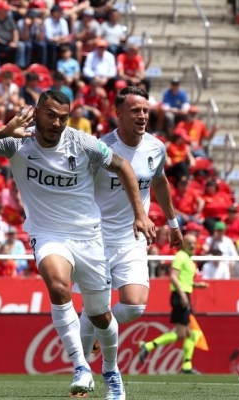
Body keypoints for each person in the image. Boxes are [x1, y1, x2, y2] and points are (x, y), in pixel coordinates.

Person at [0, 90, 154, 400]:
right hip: (47, 233)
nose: (57, 122)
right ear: (36, 113)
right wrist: (4, 130)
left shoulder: (82, 142)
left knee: (100, 315)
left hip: (89, 236)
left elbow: (123, 167)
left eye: (63, 116)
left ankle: (111, 369)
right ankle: (80, 366)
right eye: (51, 115)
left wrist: (140, 214)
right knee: (58, 285)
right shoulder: (18, 141)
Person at [78, 86, 183, 359]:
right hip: (96, 238)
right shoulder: (101, 148)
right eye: (135, 110)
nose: (142, 116)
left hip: (132, 237)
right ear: (119, 114)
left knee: (135, 306)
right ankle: (82, 370)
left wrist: (172, 222)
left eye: (146, 111)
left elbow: (159, 181)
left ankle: (96, 323)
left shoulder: (156, 147)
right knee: (96, 305)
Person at [139, 234, 209, 374]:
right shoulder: (181, 256)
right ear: (183, 244)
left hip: (184, 294)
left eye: (195, 243)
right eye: (190, 243)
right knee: (183, 333)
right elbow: (173, 277)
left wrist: (195, 285)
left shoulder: (189, 258)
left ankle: (186, 365)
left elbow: (183, 279)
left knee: (190, 333)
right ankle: (148, 346)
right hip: (180, 296)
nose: (193, 246)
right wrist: (183, 294)